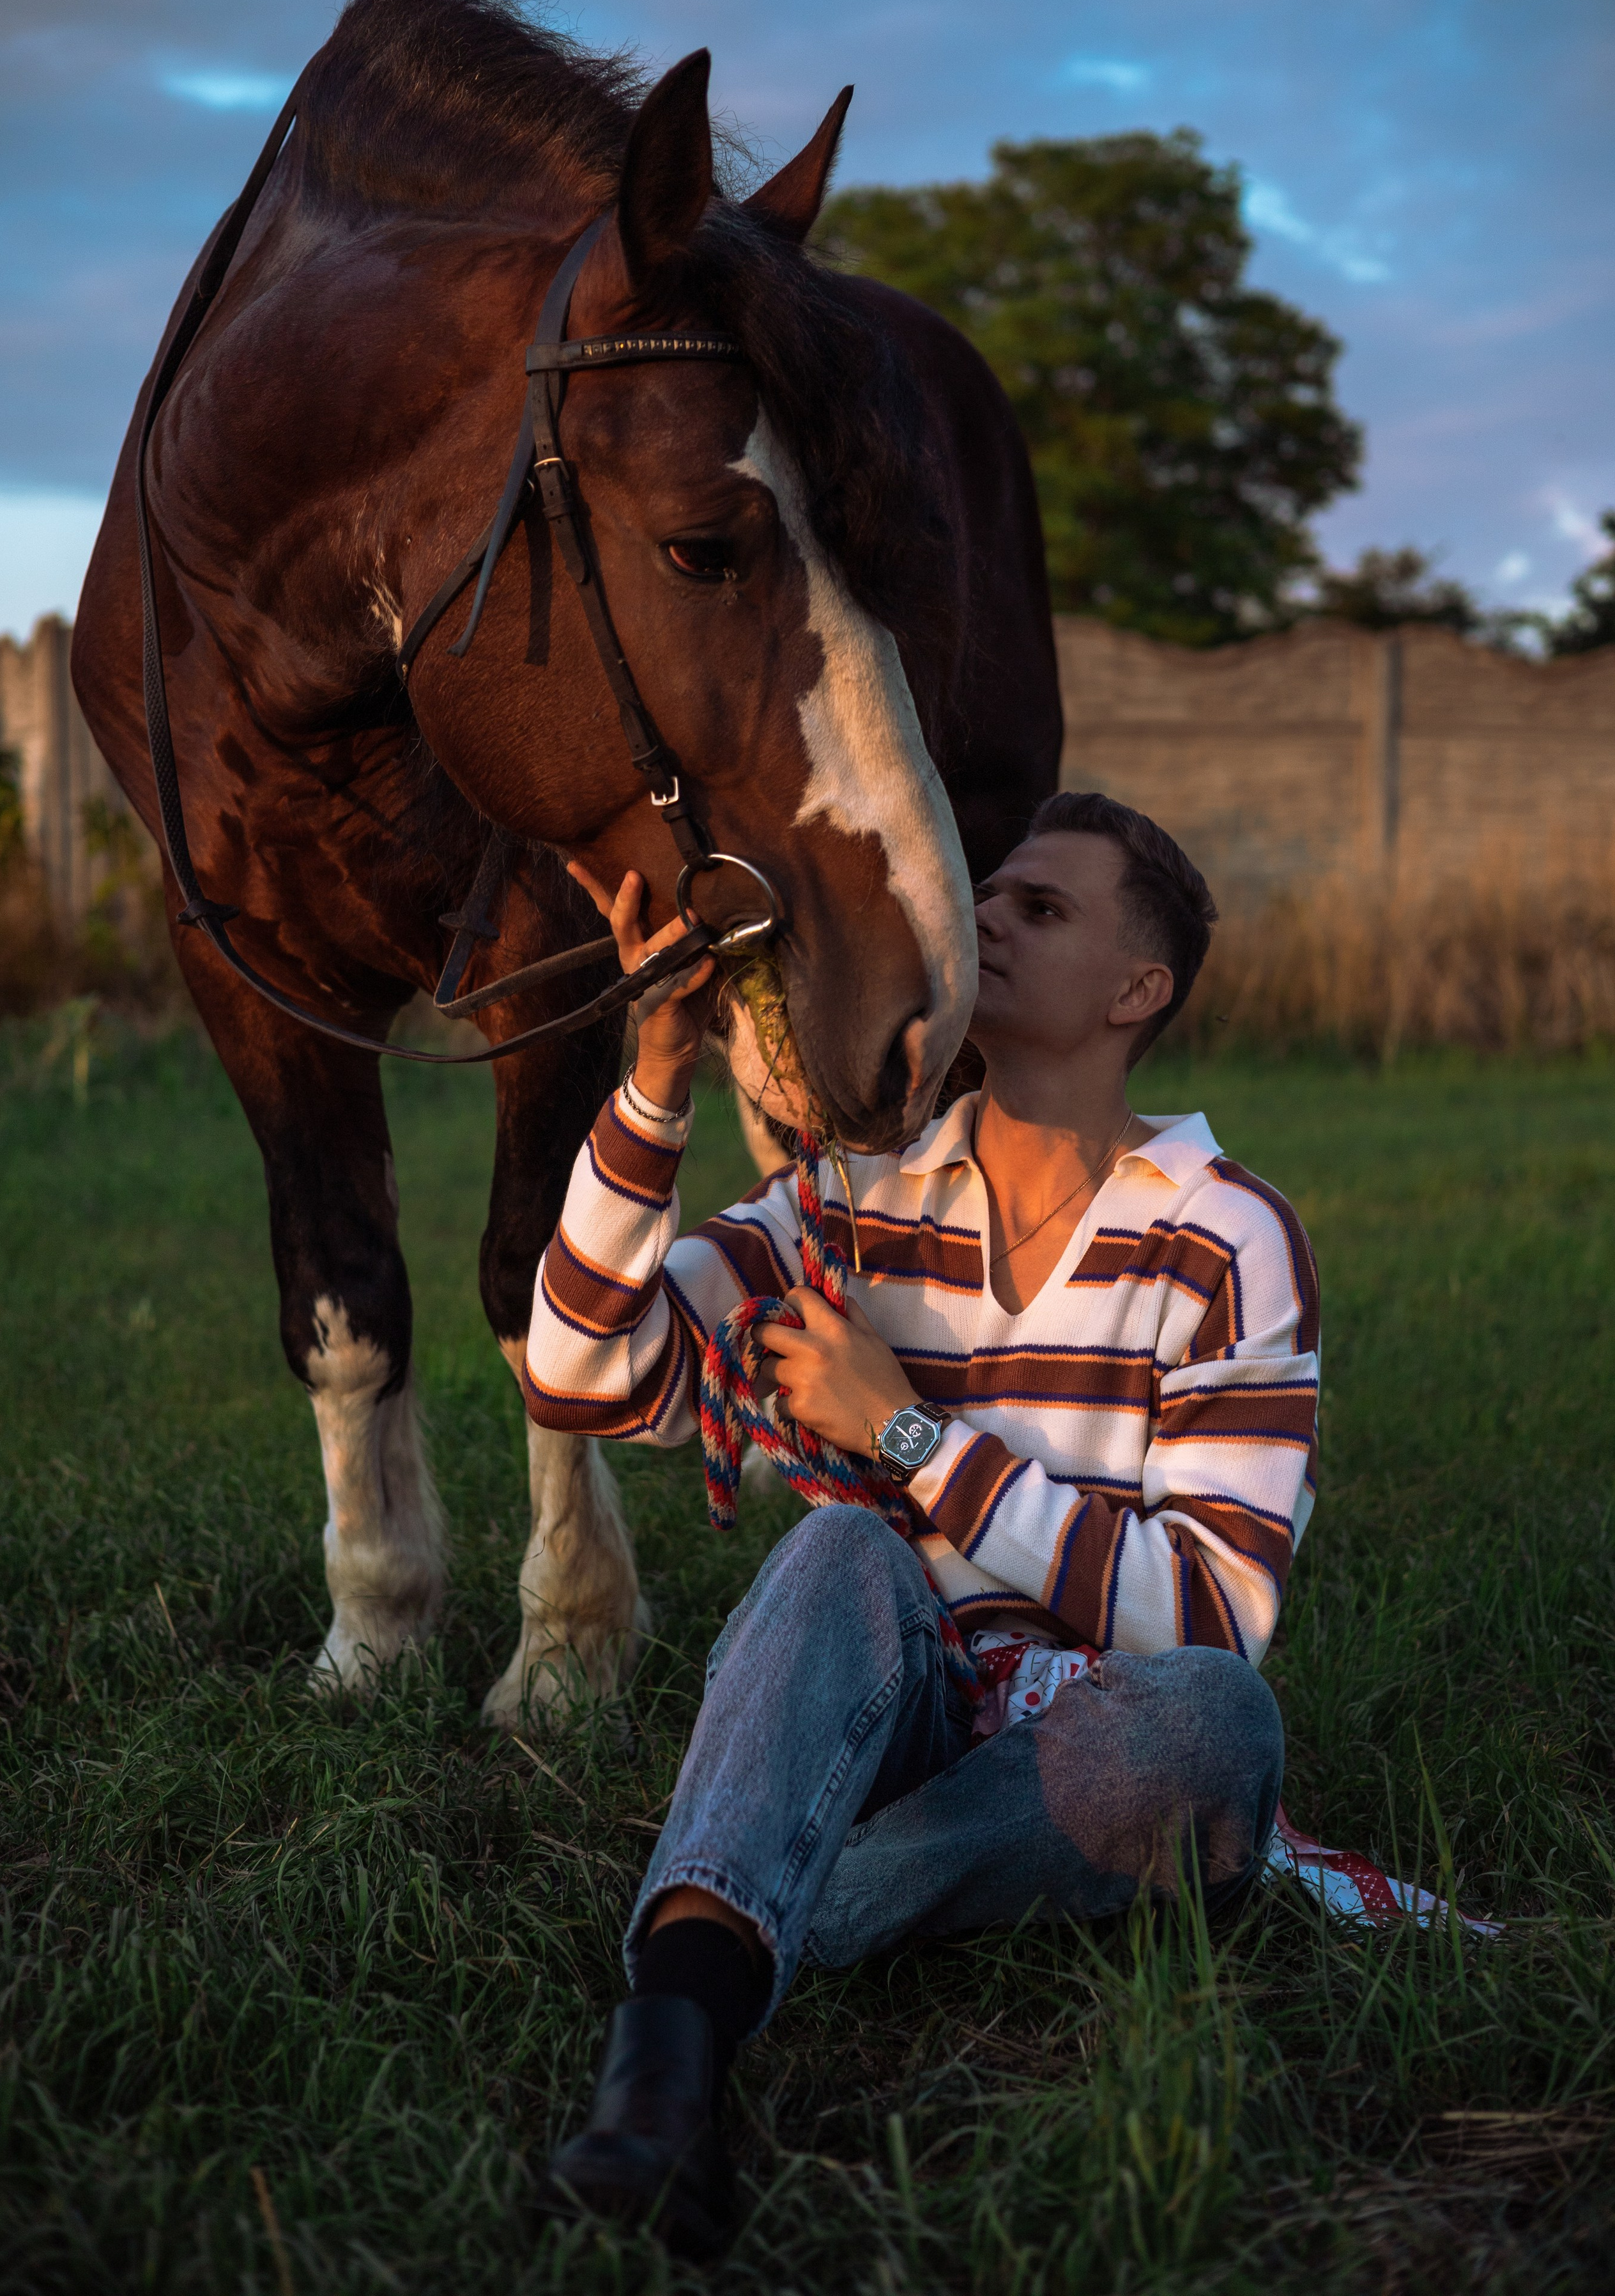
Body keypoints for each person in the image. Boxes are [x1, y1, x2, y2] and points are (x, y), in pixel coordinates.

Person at [532, 790, 1319, 2258]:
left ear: (1135, 991)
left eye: (1040, 908)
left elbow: (1209, 1616)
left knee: (1220, 1726)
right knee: (840, 1547)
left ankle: (772, 1904)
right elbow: (583, 1381)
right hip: (874, 1693)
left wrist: (907, 1437)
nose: (983, 920)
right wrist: (653, 1078)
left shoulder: (1227, 1236)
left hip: (1081, 1739)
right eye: (986, 894)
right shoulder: (850, 1197)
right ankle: (661, 2077)